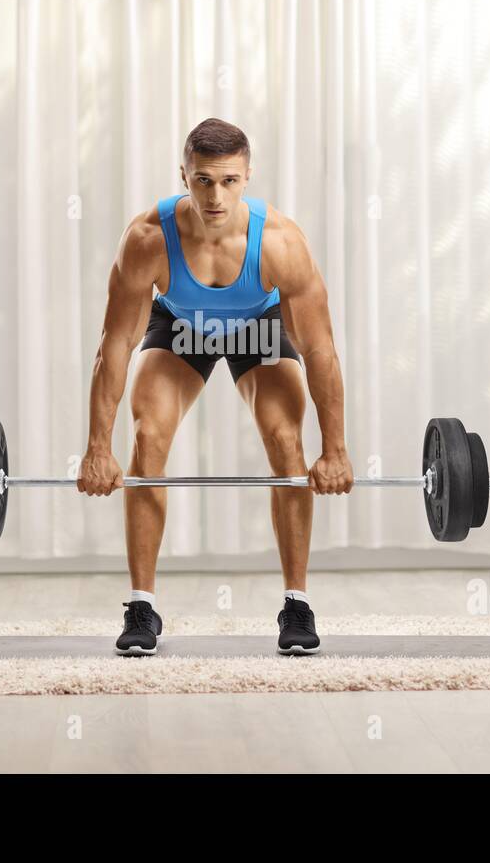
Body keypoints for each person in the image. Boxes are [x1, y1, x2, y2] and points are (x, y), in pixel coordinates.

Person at [76, 117, 352, 655]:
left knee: (285, 440)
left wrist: (336, 449)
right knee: (148, 436)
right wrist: (95, 448)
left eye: (228, 181)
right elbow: (114, 345)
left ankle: (296, 603)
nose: (215, 194)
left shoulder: (281, 243)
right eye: (203, 180)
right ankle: (141, 607)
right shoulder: (147, 239)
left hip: (257, 325)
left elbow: (319, 351)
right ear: (184, 174)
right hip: (181, 327)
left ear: (248, 176)